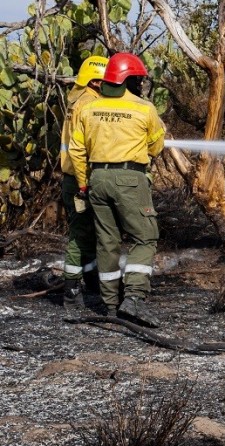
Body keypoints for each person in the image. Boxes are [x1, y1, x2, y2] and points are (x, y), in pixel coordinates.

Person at [68, 52, 166, 328]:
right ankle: (134, 298)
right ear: (129, 80)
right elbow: (156, 146)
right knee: (145, 237)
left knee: (107, 242)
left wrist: (84, 183)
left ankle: (110, 305)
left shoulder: (87, 108)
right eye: (138, 80)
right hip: (130, 179)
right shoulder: (144, 109)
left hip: (96, 178)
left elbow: (76, 150)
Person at [61, 55, 109, 309]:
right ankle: (71, 288)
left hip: (75, 177)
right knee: (80, 234)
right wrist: (84, 184)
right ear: (96, 81)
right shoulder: (88, 105)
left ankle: (91, 280)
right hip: (80, 179)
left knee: (89, 232)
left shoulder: (76, 97)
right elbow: (83, 148)